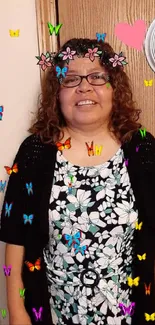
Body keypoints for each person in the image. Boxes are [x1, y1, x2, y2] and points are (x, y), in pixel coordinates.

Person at [0, 38, 155, 325]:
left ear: (114, 88)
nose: (85, 87)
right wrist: (16, 313)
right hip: (54, 317)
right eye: (71, 79)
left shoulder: (143, 150)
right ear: (56, 93)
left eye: (97, 76)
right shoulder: (35, 152)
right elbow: (15, 240)